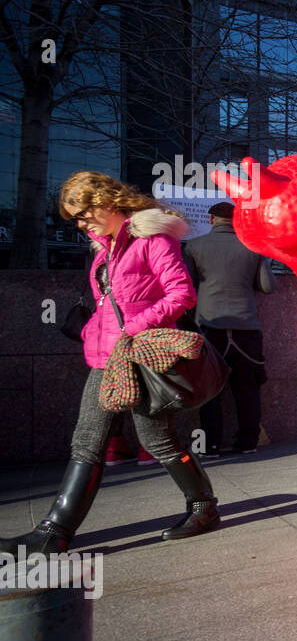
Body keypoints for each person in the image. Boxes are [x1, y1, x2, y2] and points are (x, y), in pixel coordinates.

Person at [0, 173, 220, 557]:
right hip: (108, 359)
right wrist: (91, 332)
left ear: (106, 201)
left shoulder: (153, 237)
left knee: (157, 440)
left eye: (83, 214)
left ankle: (203, 506)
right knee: (87, 440)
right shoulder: (105, 250)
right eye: (75, 219)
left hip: (141, 355)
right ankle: (55, 532)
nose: (81, 223)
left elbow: (181, 293)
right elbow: (109, 305)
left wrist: (131, 330)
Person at [184, 201, 276, 456]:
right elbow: (268, 286)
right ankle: (248, 443)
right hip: (246, 328)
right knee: (247, 389)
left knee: (209, 390)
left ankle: (210, 445)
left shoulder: (193, 247)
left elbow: (186, 289)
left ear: (211, 220)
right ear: (236, 221)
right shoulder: (253, 247)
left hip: (209, 327)